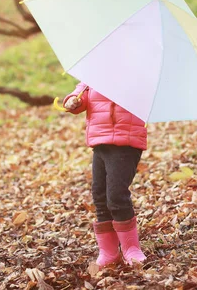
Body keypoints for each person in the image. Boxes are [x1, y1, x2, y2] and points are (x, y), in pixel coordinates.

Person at [63, 83, 147, 267]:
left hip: (126, 141)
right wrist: (73, 100)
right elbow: (82, 93)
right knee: (100, 195)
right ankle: (108, 251)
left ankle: (131, 248)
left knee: (116, 195)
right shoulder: (96, 72)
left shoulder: (139, 74)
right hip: (100, 141)